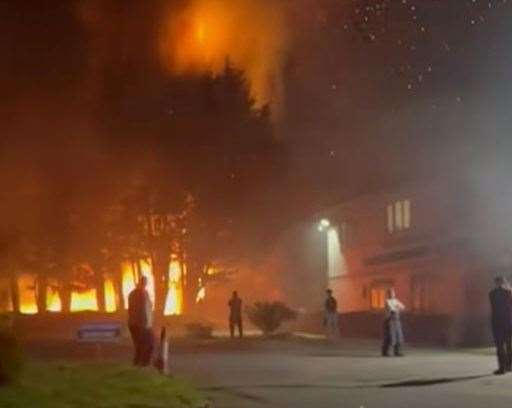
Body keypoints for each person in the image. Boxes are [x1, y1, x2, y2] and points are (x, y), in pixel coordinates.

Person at [128, 276, 154, 366]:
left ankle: (139, 364)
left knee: (141, 345)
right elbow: (142, 310)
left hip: (137, 324)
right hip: (140, 324)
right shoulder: (140, 294)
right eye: (144, 283)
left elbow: (147, 308)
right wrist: (146, 324)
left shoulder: (139, 293)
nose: (145, 284)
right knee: (146, 344)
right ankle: (142, 364)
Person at [489, 276, 512, 375]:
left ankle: (502, 368)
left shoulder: (491, 294)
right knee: (509, 345)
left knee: (499, 346)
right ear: (504, 282)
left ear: (495, 283)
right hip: (509, 322)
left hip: (497, 322)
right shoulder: (509, 293)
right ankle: (509, 366)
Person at [381, 288, 405, 357]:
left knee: (398, 336)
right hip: (389, 320)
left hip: (396, 320)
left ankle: (397, 352)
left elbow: (403, 307)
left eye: (393, 293)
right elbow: (392, 309)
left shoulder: (396, 300)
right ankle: (385, 352)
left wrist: (397, 307)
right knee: (389, 336)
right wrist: (397, 307)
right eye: (391, 293)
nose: (392, 294)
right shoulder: (387, 301)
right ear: (388, 294)